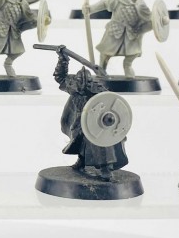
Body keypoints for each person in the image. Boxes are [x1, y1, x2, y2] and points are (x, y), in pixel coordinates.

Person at [53, 50, 128, 181]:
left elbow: (110, 102)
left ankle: (105, 169)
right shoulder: (73, 86)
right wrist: (63, 60)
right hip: (79, 121)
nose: (81, 87)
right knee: (79, 141)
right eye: (79, 83)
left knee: (100, 144)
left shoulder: (98, 90)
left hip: (97, 122)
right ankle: (82, 161)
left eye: (85, 84)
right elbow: (60, 77)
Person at [86, 0, 151, 77]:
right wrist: (90, 9)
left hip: (132, 32)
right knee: (106, 52)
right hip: (115, 30)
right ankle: (102, 69)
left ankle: (127, 66)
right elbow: (105, 3)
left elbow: (149, 18)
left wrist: (158, 21)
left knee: (132, 53)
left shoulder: (141, 4)